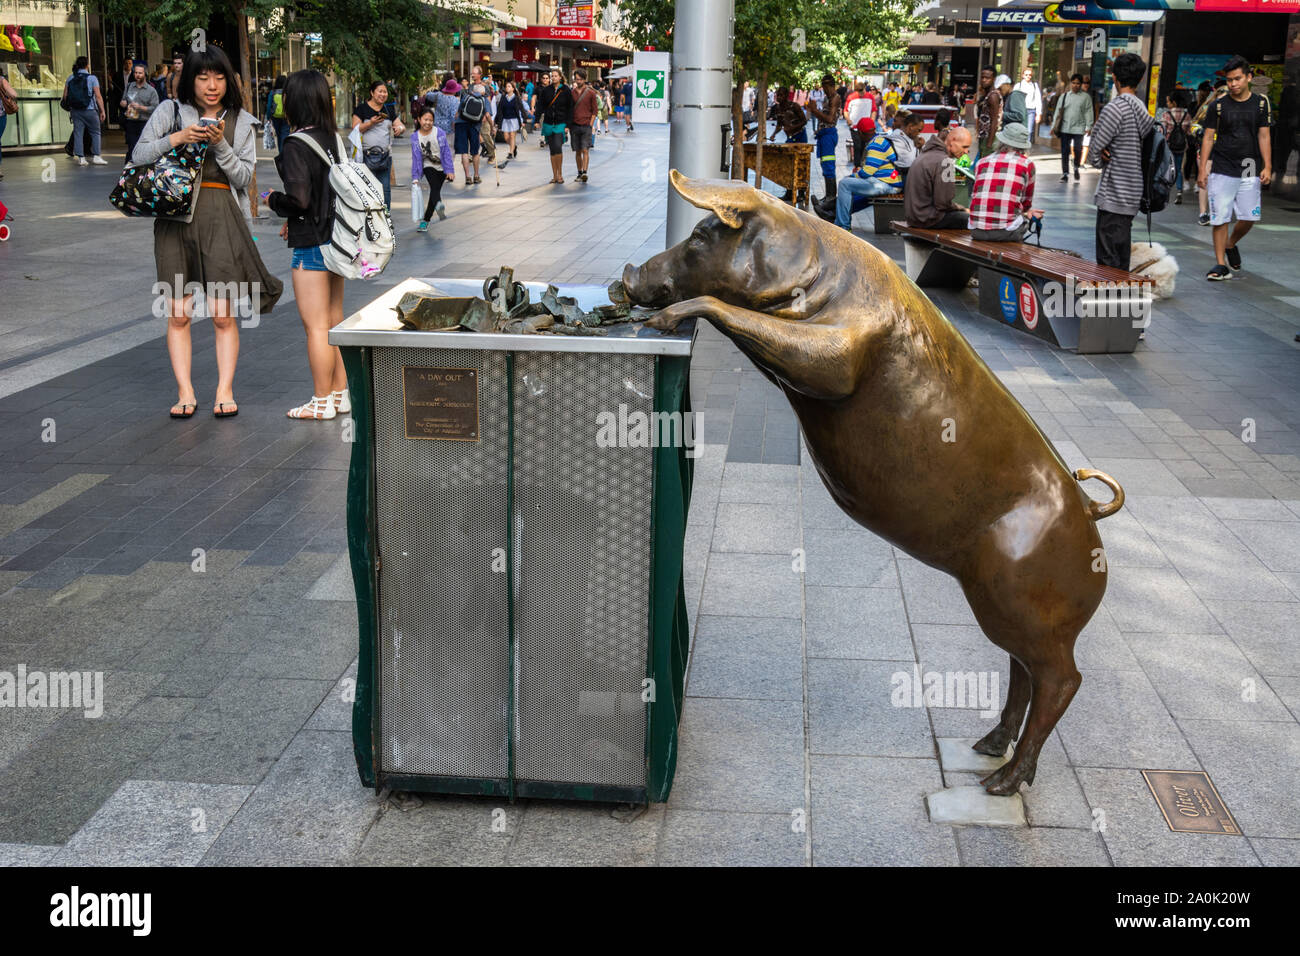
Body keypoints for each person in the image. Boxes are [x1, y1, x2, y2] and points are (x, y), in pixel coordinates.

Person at [133, 46, 283, 420]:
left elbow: (244, 178)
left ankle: (224, 390)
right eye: (203, 77)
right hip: (175, 220)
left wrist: (219, 144)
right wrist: (180, 137)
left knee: (222, 314)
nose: (211, 86)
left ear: (228, 80)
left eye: (219, 77)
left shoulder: (243, 121)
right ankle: (185, 391)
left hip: (221, 218)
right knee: (179, 313)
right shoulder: (170, 111)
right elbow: (139, 156)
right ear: (192, 80)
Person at [265, 69, 348, 421]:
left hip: (312, 244)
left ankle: (320, 401)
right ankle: (342, 395)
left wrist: (272, 200)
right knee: (333, 320)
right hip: (338, 241)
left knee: (315, 326)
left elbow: (299, 198)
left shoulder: (297, 143)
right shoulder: (333, 139)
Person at [1199, 56, 1273, 281]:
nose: (1233, 84)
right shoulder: (1218, 105)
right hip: (1222, 165)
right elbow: (1208, 137)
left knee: (1249, 216)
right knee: (1220, 217)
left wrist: (1268, 165)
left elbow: (1264, 135)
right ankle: (1221, 265)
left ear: (1249, 77)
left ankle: (1231, 243)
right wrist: (1203, 168)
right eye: (1230, 80)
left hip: (1250, 165)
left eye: (1238, 79)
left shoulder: (1261, 103)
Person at [1088, 52, 1151, 271]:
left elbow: (1094, 151)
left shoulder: (1115, 108)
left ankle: (1109, 304)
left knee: (1107, 260)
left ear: (1114, 77)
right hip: (1133, 191)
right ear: (1140, 79)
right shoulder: (1142, 109)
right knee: (1121, 255)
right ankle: (1120, 303)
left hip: (1114, 191)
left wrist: (1101, 154)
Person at [821, 111, 924, 229]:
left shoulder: (878, 143)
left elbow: (867, 172)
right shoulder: (900, 141)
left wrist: (851, 177)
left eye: (895, 120)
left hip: (888, 184)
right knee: (856, 185)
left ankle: (842, 225)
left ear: (860, 133)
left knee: (845, 184)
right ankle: (830, 210)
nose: (893, 123)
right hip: (895, 182)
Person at [968, 122, 1041, 241]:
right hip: (1006, 232)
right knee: (1024, 220)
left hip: (976, 230)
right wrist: (1027, 213)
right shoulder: (1027, 164)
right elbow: (1027, 202)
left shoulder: (981, 162)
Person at [905, 125, 972, 229]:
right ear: (952, 141)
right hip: (928, 219)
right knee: (973, 219)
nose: (966, 152)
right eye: (964, 147)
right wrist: (962, 209)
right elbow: (943, 203)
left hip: (914, 218)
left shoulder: (924, 155)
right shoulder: (945, 161)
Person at [352, 80, 403, 208]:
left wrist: (399, 129)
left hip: (385, 157)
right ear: (372, 92)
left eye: (385, 92)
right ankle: (370, 219)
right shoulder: (361, 109)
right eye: (380, 91)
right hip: (366, 157)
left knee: (385, 191)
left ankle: (386, 220)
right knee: (367, 189)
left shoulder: (388, 109)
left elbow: (400, 125)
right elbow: (355, 129)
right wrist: (371, 123)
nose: (383, 94)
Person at [410, 105, 454, 232]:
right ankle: (439, 204)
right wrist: (415, 176)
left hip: (442, 166)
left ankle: (426, 220)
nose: (428, 122)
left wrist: (449, 170)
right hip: (428, 164)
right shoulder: (415, 137)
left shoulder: (439, 132)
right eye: (425, 119)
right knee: (434, 187)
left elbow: (446, 152)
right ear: (419, 119)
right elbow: (416, 158)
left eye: (430, 120)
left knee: (434, 193)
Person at [64, 57, 107, 165]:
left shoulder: (70, 78)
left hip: (75, 111)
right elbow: (98, 96)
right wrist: (102, 111)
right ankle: (96, 156)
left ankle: (81, 158)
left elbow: (65, 96)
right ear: (87, 65)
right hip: (90, 110)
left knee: (78, 133)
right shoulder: (92, 78)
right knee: (95, 132)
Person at [808, 74, 843, 206]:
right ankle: (828, 196)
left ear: (831, 86)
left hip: (829, 135)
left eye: (825, 87)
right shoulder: (827, 98)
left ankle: (831, 198)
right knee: (824, 164)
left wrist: (814, 110)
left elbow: (829, 119)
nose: (824, 90)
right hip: (824, 135)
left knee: (828, 165)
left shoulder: (835, 98)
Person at [1052, 73, 1093, 183]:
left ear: (1081, 85)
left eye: (1078, 83)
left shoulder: (1086, 97)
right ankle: (1065, 173)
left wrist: (1089, 126)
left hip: (1079, 128)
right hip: (1065, 127)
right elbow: (1058, 112)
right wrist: (1053, 126)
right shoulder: (1064, 96)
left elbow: (1089, 112)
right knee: (1065, 151)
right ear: (1070, 83)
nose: (1075, 85)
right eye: (1073, 83)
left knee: (1078, 149)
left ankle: (1076, 167)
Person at [119, 62, 159, 165]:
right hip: (131, 122)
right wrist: (124, 103)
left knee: (143, 149)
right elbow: (123, 101)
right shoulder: (129, 86)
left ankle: (142, 170)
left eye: (140, 73)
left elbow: (155, 108)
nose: (137, 75)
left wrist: (141, 107)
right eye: (136, 73)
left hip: (145, 123)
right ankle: (129, 170)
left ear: (145, 74)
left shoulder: (151, 91)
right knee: (132, 147)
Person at [1159, 91, 1193, 205]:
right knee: (1178, 169)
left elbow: (1161, 131)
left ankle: (1165, 192)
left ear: (1173, 102)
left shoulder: (1166, 115)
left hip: (1169, 146)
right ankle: (1179, 191)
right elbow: (1189, 132)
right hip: (1181, 146)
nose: (1167, 103)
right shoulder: (1187, 115)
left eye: (1168, 101)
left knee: (1167, 168)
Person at [541, 68, 573, 184]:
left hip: (560, 123)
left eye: (555, 76)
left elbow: (570, 108)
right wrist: (536, 119)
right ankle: (554, 175)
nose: (553, 77)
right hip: (548, 123)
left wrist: (568, 124)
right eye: (552, 76)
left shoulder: (566, 90)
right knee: (552, 149)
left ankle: (560, 174)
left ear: (560, 77)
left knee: (558, 146)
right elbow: (541, 105)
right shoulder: (546, 90)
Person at [453, 77, 486, 186]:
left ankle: (467, 177)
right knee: (475, 152)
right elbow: (486, 116)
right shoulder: (483, 100)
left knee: (464, 152)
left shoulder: (466, 96)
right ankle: (476, 176)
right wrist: (492, 126)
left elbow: (458, 113)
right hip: (475, 127)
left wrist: (455, 123)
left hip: (461, 125)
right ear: (482, 92)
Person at [569, 69, 598, 182]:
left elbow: (595, 111)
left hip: (586, 125)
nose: (578, 81)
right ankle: (579, 172)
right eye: (577, 79)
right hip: (575, 125)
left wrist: (590, 125)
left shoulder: (591, 93)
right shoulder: (572, 93)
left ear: (585, 79)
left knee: (585, 150)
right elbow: (570, 109)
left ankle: (585, 172)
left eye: (580, 79)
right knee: (577, 151)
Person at [846, 81, 876, 170]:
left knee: (865, 146)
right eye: (858, 91)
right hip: (854, 126)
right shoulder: (851, 97)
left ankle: (863, 164)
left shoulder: (870, 97)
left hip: (866, 127)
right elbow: (846, 110)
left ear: (864, 89)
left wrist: (872, 121)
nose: (860, 93)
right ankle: (857, 165)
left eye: (861, 91)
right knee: (857, 145)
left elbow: (874, 110)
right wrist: (848, 119)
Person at [975, 68, 1001, 164]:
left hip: (988, 137)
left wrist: (989, 142)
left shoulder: (993, 96)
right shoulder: (988, 94)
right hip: (984, 135)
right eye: (982, 77)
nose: (984, 80)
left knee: (985, 163)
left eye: (987, 78)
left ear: (993, 79)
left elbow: (995, 119)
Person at [497, 81, 524, 159]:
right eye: (506, 86)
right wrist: (497, 121)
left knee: (512, 136)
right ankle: (514, 147)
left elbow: (521, 109)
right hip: (505, 120)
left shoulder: (516, 98)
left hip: (514, 120)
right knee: (506, 137)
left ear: (513, 88)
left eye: (509, 86)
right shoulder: (503, 97)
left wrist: (523, 120)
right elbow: (500, 109)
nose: (507, 88)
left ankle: (510, 153)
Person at [1015, 67, 1042, 143]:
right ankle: (1019, 147)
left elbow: (1038, 100)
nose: (1028, 76)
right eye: (1026, 74)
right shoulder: (1018, 85)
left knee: (1029, 131)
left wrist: (1038, 114)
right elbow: (1014, 99)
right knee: (1020, 129)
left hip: (1031, 111)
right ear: (1023, 75)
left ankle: (1026, 149)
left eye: (1030, 75)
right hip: (1020, 110)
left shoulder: (1034, 85)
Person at [266, 74, 289, 153]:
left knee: (279, 136)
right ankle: (284, 153)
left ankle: (281, 153)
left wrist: (268, 116)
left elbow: (269, 106)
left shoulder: (273, 92)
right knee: (285, 135)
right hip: (286, 117)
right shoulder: (288, 92)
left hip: (275, 117)